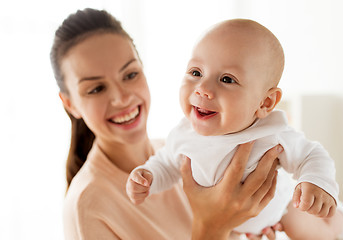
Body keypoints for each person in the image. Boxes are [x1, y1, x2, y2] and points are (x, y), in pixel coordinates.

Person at [51, 8, 285, 240]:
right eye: (96, 89)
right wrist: (212, 228)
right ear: (70, 104)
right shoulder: (87, 206)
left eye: (130, 74)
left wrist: (249, 223)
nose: (122, 98)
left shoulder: (182, 150)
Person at [127, 19, 343, 239]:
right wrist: (148, 177)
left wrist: (317, 182)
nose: (203, 88)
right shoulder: (183, 134)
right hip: (226, 227)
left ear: (265, 103)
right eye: (196, 72)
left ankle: (338, 220)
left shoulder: (271, 133)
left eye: (227, 79)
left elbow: (311, 154)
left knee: (308, 233)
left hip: (281, 210)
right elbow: (167, 164)